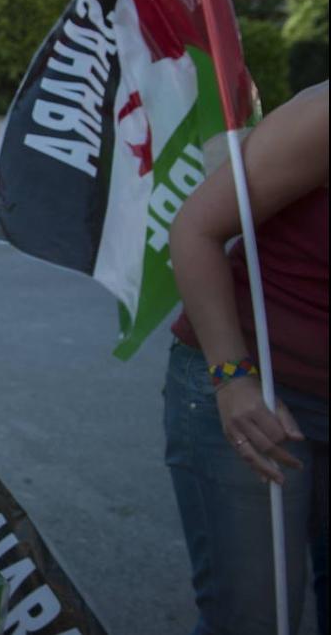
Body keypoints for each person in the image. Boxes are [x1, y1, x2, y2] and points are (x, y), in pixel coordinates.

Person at [166, 80, 328, 635]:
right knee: (254, 620)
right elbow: (194, 229)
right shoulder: (324, 115)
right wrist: (232, 377)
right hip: (249, 387)